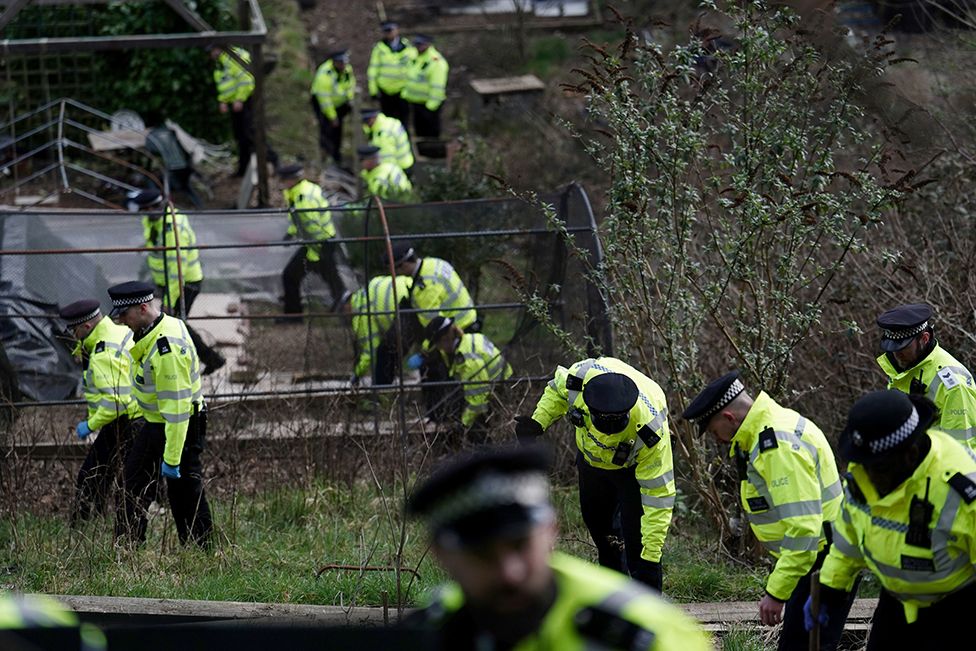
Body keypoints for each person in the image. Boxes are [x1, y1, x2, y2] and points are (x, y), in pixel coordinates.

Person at [405, 444, 712, 651]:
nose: (510, 572)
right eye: (482, 555)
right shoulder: (429, 628)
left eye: (520, 545)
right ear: (440, 555)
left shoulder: (651, 635)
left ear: (551, 531)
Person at [681, 370, 851, 651]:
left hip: (822, 562)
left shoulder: (776, 447)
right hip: (813, 560)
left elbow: (804, 530)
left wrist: (776, 592)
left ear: (729, 418)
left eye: (713, 431)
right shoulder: (769, 426)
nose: (717, 439)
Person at [809, 390, 976, 650]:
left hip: (956, 612)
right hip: (895, 604)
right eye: (865, 465)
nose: (871, 478)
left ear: (910, 454)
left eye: (880, 469)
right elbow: (847, 542)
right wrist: (830, 589)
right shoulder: (864, 473)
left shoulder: (962, 488)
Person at [514, 357, 674, 592]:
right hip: (591, 465)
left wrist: (650, 559)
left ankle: (646, 604)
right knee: (602, 530)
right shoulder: (579, 380)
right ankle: (612, 595)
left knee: (637, 540)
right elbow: (557, 390)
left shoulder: (651, 431)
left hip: (631, 472)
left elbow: (659, 498)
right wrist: (539, 421)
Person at [108, 281, 213, 548]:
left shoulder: (167, 349)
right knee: (132, 482)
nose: (121, 322)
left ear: (143, 308)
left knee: (184, 489)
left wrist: (173, 459)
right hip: (158, 424)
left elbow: (177, 411)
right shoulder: (157, 328)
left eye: (124, 315)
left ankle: (201, 548)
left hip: (181, 426)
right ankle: (128, 547)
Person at [58, 299, 141, 525]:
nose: (72, 335)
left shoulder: (102, 353)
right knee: (109, 473)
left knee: (92, 474)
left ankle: (82, 525)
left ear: (86, 327)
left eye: (73, 329)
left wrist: (90, 425)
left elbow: (117, 401)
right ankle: (95, 519)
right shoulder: (119, 331)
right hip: (135, 416)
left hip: (125, 419)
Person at [128, 189, 225, 375]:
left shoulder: (173, 226)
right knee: (176, 323)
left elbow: (176, 270)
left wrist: (169, 300)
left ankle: (209, 359)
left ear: (153, 207)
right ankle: (208, 359)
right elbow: (155, 241)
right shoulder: (154, 219)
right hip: (167, 282)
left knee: (177, 323)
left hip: (184, 282)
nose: (143, 215)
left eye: (145, 210)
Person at [876, 303, 976, 451]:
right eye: (893, 347)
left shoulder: (953, 384)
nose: (896, 354)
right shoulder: (905, 367)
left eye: (903, 347)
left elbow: (960, 450)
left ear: (924, 338)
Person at [277, 164, 349, 321]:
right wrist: (291, 234)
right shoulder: (307, 188)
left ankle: (293, 316)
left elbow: (310, 224)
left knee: (290, 276)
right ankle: (347, 312)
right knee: (333, 279)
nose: (282, 183)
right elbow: (302, 222)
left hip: (317, 245)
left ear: (291, 180)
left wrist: (315, 252)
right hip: (324, 242)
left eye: (283, 180)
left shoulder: (301, 197)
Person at [422, 315, 512, 438]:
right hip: (500, 383)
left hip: (502, 391)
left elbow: (479, 402)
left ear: (445, 339)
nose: (438, 349)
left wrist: (463, 424)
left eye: (437, 344)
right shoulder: (469, 339)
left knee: (475, 430)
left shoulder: (468, 361)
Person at [210, 45, 278, 177]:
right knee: (241, 137)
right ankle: (243, 169)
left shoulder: (233, 57)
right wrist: (223, 100)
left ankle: (272, 160)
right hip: (236, 103)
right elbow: (225, 84)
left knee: (251, 133)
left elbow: (246, 80)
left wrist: (240, 99)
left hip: (247, 101)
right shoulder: (221, 62)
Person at [346, 274, 413, 384]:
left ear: (347, 305)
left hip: (405, 312)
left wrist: (357, 374)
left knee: (384, 355)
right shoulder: (368, 293)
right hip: (412, 291)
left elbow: (370, 350)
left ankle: (382, 393)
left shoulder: (362, 311)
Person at [310, 49, 355, 166]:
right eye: (340, 63)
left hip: (339, 104)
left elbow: (350, 85)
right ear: (334, 62)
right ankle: (326, 155)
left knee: (338, 131)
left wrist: (349, 99)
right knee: (327, 130)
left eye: (344, 62)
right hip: (324, 105)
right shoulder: (325, 75)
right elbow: (325, 100)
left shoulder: (347, 70)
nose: (343, 65)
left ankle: (336, 155)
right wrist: (332, 117)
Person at [366, 21, 415, 127]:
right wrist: (373, 90)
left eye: (391, 30)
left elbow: (413, 67)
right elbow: (373, 70)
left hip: (403, 91)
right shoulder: (379, 48)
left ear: (397, 30)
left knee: (403, 123)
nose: (389, 34)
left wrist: (411, 88)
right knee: (387, 123)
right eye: (386, 31)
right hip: (385, 92)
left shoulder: (407, 46)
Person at [144, 124, 202, 208]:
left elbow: (151, 151)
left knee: (170, 186)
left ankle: (164, 204)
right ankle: (199, 205)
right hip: (184, 167)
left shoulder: (155, 138)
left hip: (174, 169)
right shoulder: (173, 136)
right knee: (186, 187)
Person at [402, 34, 448, 139]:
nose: (418, 47)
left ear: (428, 45)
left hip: (429, 106)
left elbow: (437, 87)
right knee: (420, 134)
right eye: (417, 44)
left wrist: (431, 107)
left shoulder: (435, 61)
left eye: (421, 44)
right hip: (416, 103)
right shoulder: (415, 58)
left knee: (431, 134)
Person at [361, 108, 414, 173]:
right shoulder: (386, 123)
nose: (366, 125)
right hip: (404, 163)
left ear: (373, 118)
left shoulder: (383, 133)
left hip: (399, 167)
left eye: (367, 121)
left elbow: (387, 157)